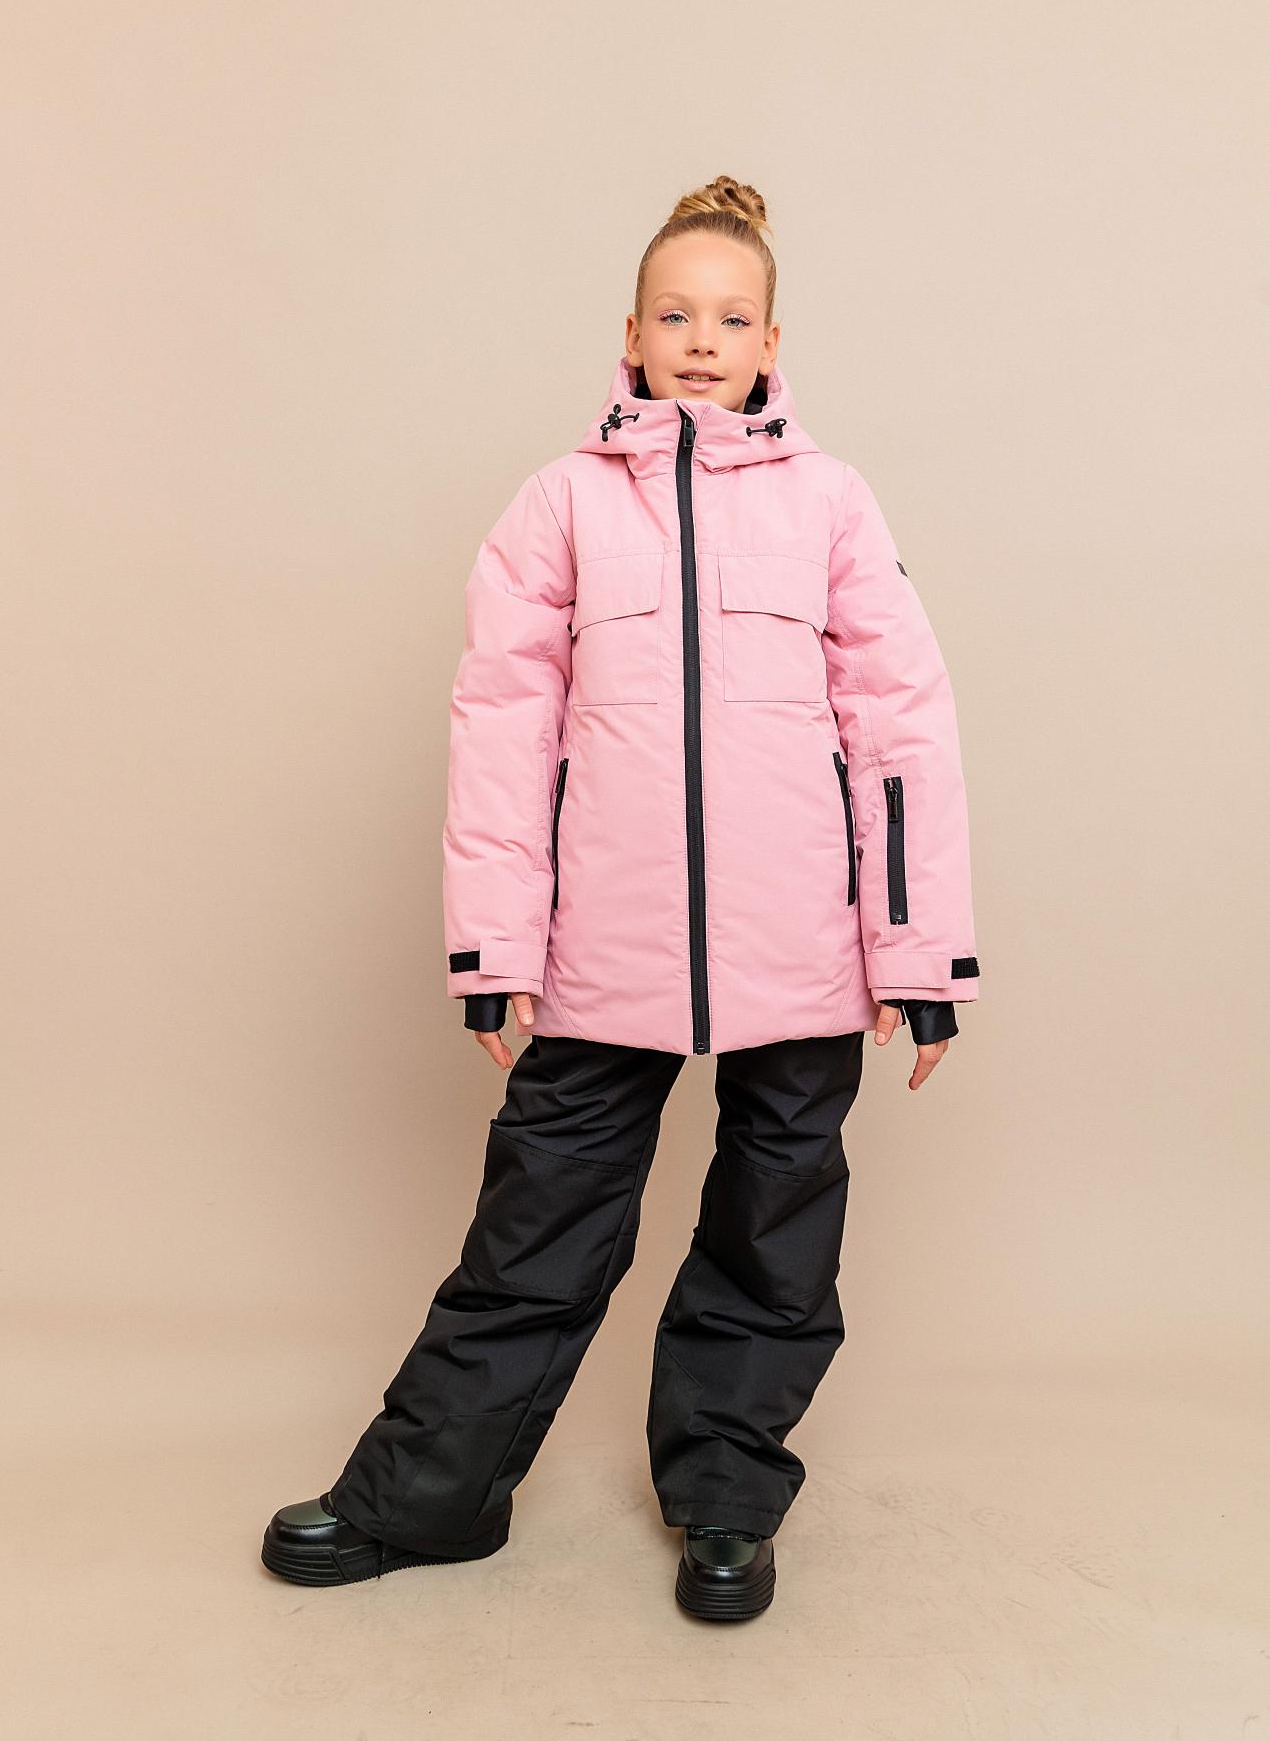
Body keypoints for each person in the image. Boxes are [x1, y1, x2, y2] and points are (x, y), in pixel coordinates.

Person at [260, 175, 980, 1621]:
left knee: (774, 1242)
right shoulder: (561, 506)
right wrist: (494, 947)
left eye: (731, 317)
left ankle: (727, 1501)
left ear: (771, 340)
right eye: (674, 314)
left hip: (804, 949)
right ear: (631, 336)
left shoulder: (831, 504)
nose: (702, 339)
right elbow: (502, 734)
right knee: (534, 1229)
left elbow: (902, 730)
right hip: (604, 948)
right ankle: (430, 1494)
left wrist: (919, 956)